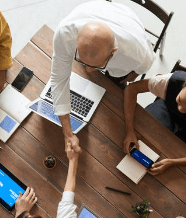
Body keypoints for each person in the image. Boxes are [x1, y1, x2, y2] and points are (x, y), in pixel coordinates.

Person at [51, 1, 156, 152]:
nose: (86, 68)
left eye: (93, 65)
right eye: (81, 60)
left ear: (113, 53)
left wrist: (126, 78)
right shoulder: (65, 33)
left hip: (126, 24)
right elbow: (58, 80)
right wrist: (68, 133)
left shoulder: (137, 54)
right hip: (97, 9)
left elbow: (138, 71)